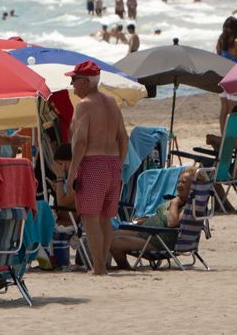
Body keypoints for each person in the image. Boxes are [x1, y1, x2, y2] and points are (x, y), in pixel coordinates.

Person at [64, 61, 129, 276]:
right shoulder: (112, 102)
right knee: (105, 218)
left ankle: (99, 266)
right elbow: (123, 137)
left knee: (90, 217)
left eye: (74, 80)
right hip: (112, 164)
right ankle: (102, 263)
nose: (72, 84)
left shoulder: (84, 104)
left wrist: (71, 174)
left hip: (93, 164)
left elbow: (80, 142)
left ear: (86, 81)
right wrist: (119, 164)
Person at [109, 168, 195, 269]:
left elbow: (172, 223)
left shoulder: (190, 205)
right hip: (147, 231)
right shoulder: (179, 199)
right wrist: (145, 220)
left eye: (183, 182)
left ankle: (124, 267)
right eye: (179, 182)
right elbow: (161, 216)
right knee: (108, 237)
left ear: (193, 187)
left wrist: (174, 203)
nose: (179, 185)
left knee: (114, 243)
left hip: (158, 241)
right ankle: (104, 264)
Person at [216, 17, 237, 131]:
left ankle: (224, 138)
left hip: (222, 78)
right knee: (233, 112)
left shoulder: (220, 41)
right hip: (234, 80)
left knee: (224, 109)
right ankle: (230, 138)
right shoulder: (236, 43)